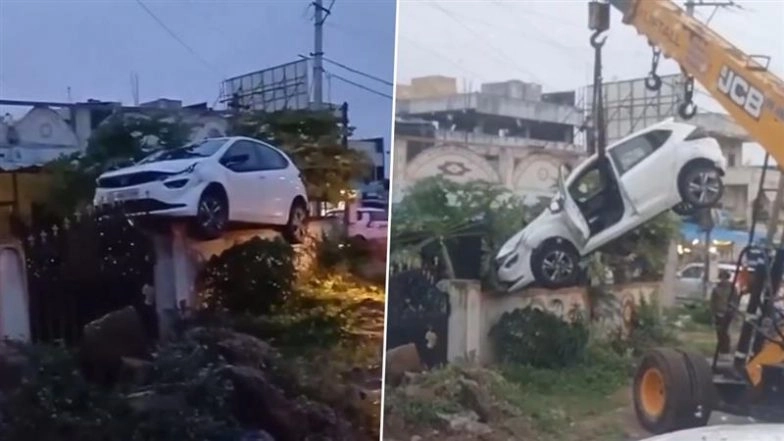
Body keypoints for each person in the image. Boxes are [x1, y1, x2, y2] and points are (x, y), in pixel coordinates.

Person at [710, 269, 737, 360]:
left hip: (728, 312)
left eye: (724, 277)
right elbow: (713, 302)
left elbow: (735, 300)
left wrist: (733, 310)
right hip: (718, 312)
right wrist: (713, 313)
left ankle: (726, 349)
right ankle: (721, 348)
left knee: (724, 331)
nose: (723, 279)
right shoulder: (716, 289)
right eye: (721, 277)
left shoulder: (732, 288)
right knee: (719, 331)